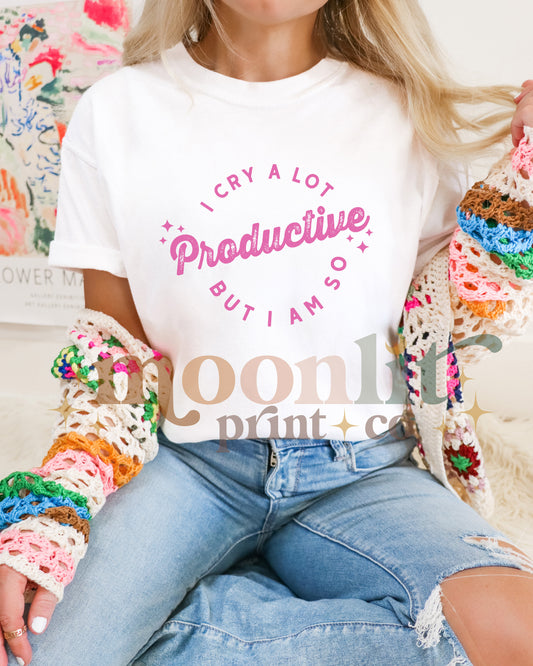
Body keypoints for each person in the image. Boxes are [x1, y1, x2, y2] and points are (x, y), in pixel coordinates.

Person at [1, 1, 533, 664]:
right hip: (187, 466)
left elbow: (444, 332)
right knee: (25, 643)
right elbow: (113, 353)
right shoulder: (115, 111)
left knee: (516, 637)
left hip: (362, 472)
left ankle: (190, 623)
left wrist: (523, 197)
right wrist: (62, 497)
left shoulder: (407, 112)